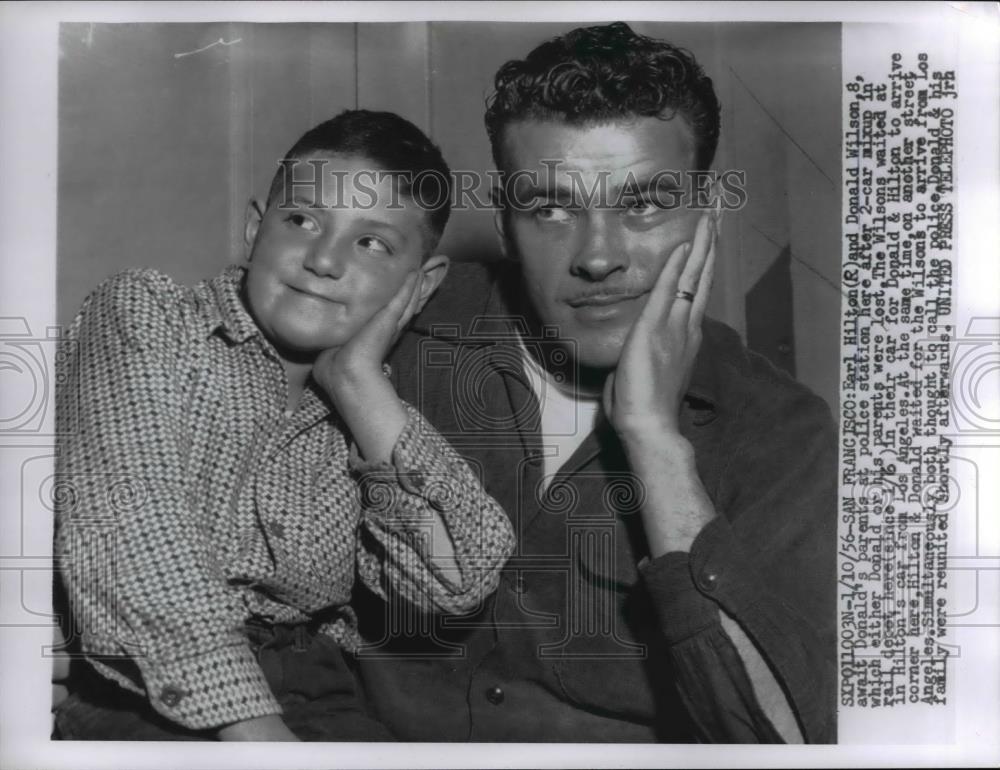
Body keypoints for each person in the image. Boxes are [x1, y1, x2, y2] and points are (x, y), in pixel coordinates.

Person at [350, 22, 837, 743]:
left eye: (643, 204)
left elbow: (778, 740)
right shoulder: (397, 331)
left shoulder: (782, 431)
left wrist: (652, 439)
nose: (599, 257)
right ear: (508, 226)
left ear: (705, 220)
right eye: (552, 208)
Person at [52, 110, 515, 741]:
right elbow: (139, 528)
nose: (323, 259)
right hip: (147, 691)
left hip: (321, 694)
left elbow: (456, 581)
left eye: (371, 242)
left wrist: (356, 380)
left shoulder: (364, 410)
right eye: (301, 220)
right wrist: (256, 732)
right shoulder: (147, 316)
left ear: (420, 286)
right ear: (253, 229)